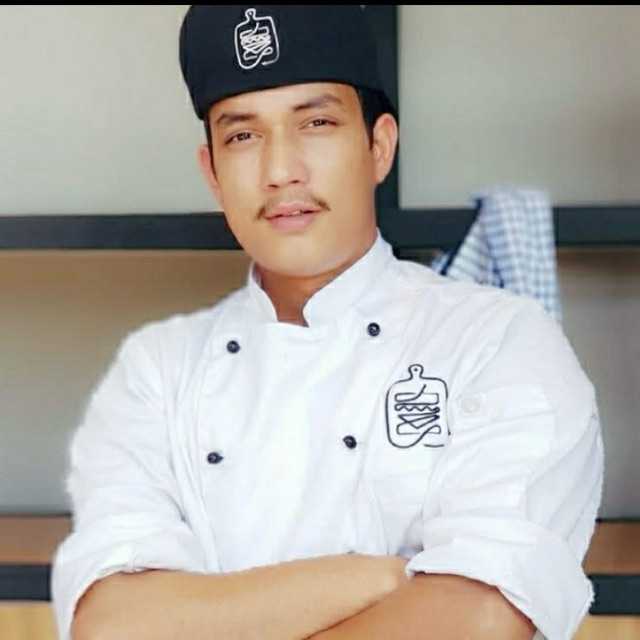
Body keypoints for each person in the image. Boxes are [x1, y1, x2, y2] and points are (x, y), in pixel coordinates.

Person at [51, 6, 604, 640]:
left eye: (316, 123)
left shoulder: (497, 342)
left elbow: (481, 616)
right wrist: (381, 578)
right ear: (212, 173)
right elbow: (112, 626)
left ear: (379, 146)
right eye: (243, 136)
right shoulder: (156, 371)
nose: (280, 170)